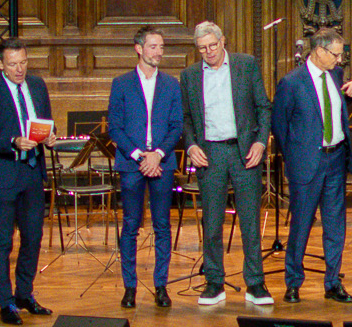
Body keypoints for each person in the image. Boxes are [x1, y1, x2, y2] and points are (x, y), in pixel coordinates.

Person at [181, 21, 274, 305]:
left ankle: (255, 283)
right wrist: (191, 145)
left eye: (213, 45)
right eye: (202, 48)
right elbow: (185, 118)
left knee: (249, 221)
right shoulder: (189, 75)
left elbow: (263, 107)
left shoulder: (246, 65)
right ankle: (214, 282)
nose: (209, 51)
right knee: (211, 223)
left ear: (223, 41)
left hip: (245, 151)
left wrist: (260, 142)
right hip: (210, 153)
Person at [272, 28, 352, 305]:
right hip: (306, 164)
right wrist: (295, 158)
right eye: (335, 54)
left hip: (335, 160)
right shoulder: (291, 82)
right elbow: (280, 126)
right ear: (319, 51)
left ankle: (333, 283)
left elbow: (344, 99)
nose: (339, 59)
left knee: (335, 226)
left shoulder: (335, 75)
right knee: (301, 226)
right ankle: (293, 283)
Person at [0, 38, 53, 325]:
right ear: (0, 64)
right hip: (4, 176)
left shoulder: (37, 85)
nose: (19, 69)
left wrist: (50, 137)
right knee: (2, 241)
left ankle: (24, 294)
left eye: (23, 62)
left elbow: (45, 122)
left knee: (33, 238)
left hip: (32, 173)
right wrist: (13, 142)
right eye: (13, 64)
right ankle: (6, 303)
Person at [107, 24, 183, 310]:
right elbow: (115, 128)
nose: (159, 52)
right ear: (138, 49)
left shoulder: (171, 84)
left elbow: (177, 125)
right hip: (132, 164)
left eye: (161, 47)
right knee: (130, 225)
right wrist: (141, 157)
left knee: (162, 225)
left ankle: (161, 286)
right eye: (153, 46)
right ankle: (130, 287)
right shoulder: (121, 83)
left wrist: (157, 155)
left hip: (162, 163)